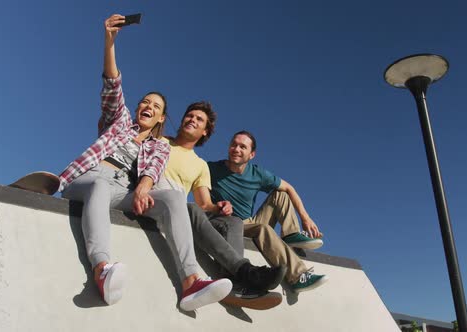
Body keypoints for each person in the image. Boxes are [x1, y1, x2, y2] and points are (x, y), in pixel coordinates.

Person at [59, 14, 231, 311]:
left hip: (122, 190)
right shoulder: (120, 122)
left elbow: (152, 169)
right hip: (89, 179)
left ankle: (191, 281)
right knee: (100, 182)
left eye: (155, 106)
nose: (147, 107)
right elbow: (112, 85)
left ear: (162, 118)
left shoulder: (158, 146)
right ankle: (101, 270)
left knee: (175, 197)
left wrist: (143, 188)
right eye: (145, 102)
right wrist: (109, 42)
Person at [157, 102, 285, 309]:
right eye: (189, 116)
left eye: (199, 119)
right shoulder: (160, 142)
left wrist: (219, 207)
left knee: (233, 221)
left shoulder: (200, 165)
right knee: (187, 207)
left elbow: (204, 203)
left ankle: (234, 285)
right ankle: (247, 273)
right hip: (154, 201)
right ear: (181, 121)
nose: (192, 120)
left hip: (179, 212)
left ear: (205, 131)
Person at [208, 131, 329, 293]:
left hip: (249, 221)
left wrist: (305, 218)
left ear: (251, 154)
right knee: (262, 229)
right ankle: (298, 276)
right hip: (227, 223)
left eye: (242, 147)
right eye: (234, 145)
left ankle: (290, 234)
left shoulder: (257, 174)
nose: (236, 149)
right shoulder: (212, 169)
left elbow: (289, 187)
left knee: (281, 193)